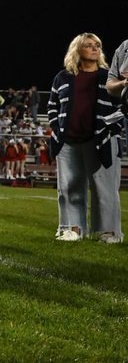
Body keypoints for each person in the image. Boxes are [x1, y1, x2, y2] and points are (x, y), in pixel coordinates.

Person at [47, 33, 122, 243]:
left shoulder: (109, 78)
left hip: (100, 139)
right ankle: (72, 229)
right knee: (68, 187)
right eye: (88, 45)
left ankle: (109, 232)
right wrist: (57, 129)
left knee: (104, 188)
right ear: (77, 49)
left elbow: (121, 108)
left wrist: (108, 127)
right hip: (68, 141)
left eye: (97, 45)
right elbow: (52, 106)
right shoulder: (62, 77)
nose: (95, 48)